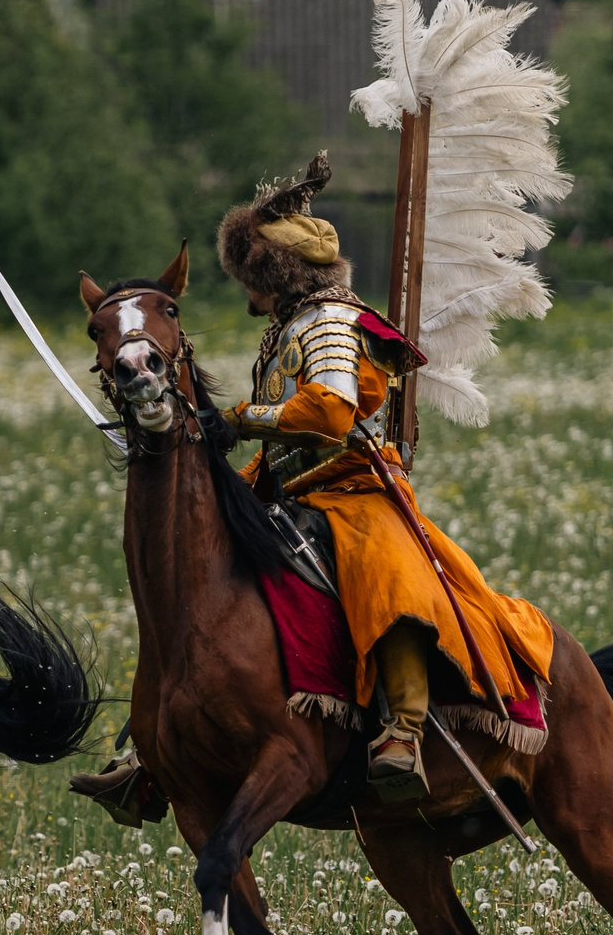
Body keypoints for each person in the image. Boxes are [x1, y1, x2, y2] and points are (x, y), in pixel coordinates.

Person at [212, 160, 553, 800]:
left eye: (249, 280)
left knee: (389, 579)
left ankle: (404, 729)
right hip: (288, 488)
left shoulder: (330, 323)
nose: (245, 297)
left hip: (352, 488)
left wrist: (239, 418)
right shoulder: (287, 327)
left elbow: (332, 411)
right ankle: (169, 751)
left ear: (272, 275)